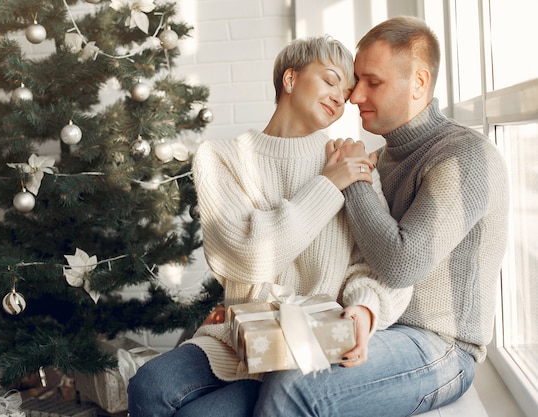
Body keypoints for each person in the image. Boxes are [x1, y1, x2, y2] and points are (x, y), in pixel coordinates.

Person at [127, 35, 412, 417]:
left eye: (345, 93)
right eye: (329, 80)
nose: (338, 98)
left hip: (310, 346)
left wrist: (364, 309)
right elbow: (246, 256)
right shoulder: (220, 158)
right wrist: (327, 187)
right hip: (239, 339)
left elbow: (381, 264)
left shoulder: (350, 161)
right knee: (149, 385)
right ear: (290, 79)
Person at [254, 16, 510, 416]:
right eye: (356, 81)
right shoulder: (380, 159)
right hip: (371, 323)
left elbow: (401, 263)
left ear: (419, 83)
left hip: (441, 347)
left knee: (295, 386)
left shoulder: (465, 156)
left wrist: (354, 179)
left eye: (373, 83)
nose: (353, 97)